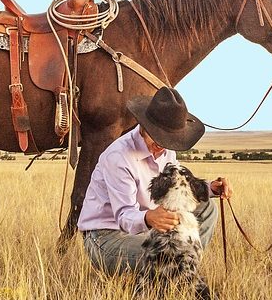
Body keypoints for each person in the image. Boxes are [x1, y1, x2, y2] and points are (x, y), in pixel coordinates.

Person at [78, 87, 232, 275]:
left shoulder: (167, 149)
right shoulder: (119, 157)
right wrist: (148, 218)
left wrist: (210, 189)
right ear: (144, 125)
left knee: (208, 209)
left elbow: (176, 187)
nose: (162, 147)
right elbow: (124, 216)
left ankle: (185, 269)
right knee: (166, 255)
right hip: (106, 236)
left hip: (149, 227)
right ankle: (176, 274)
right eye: (158, 139)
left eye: (169, 140)